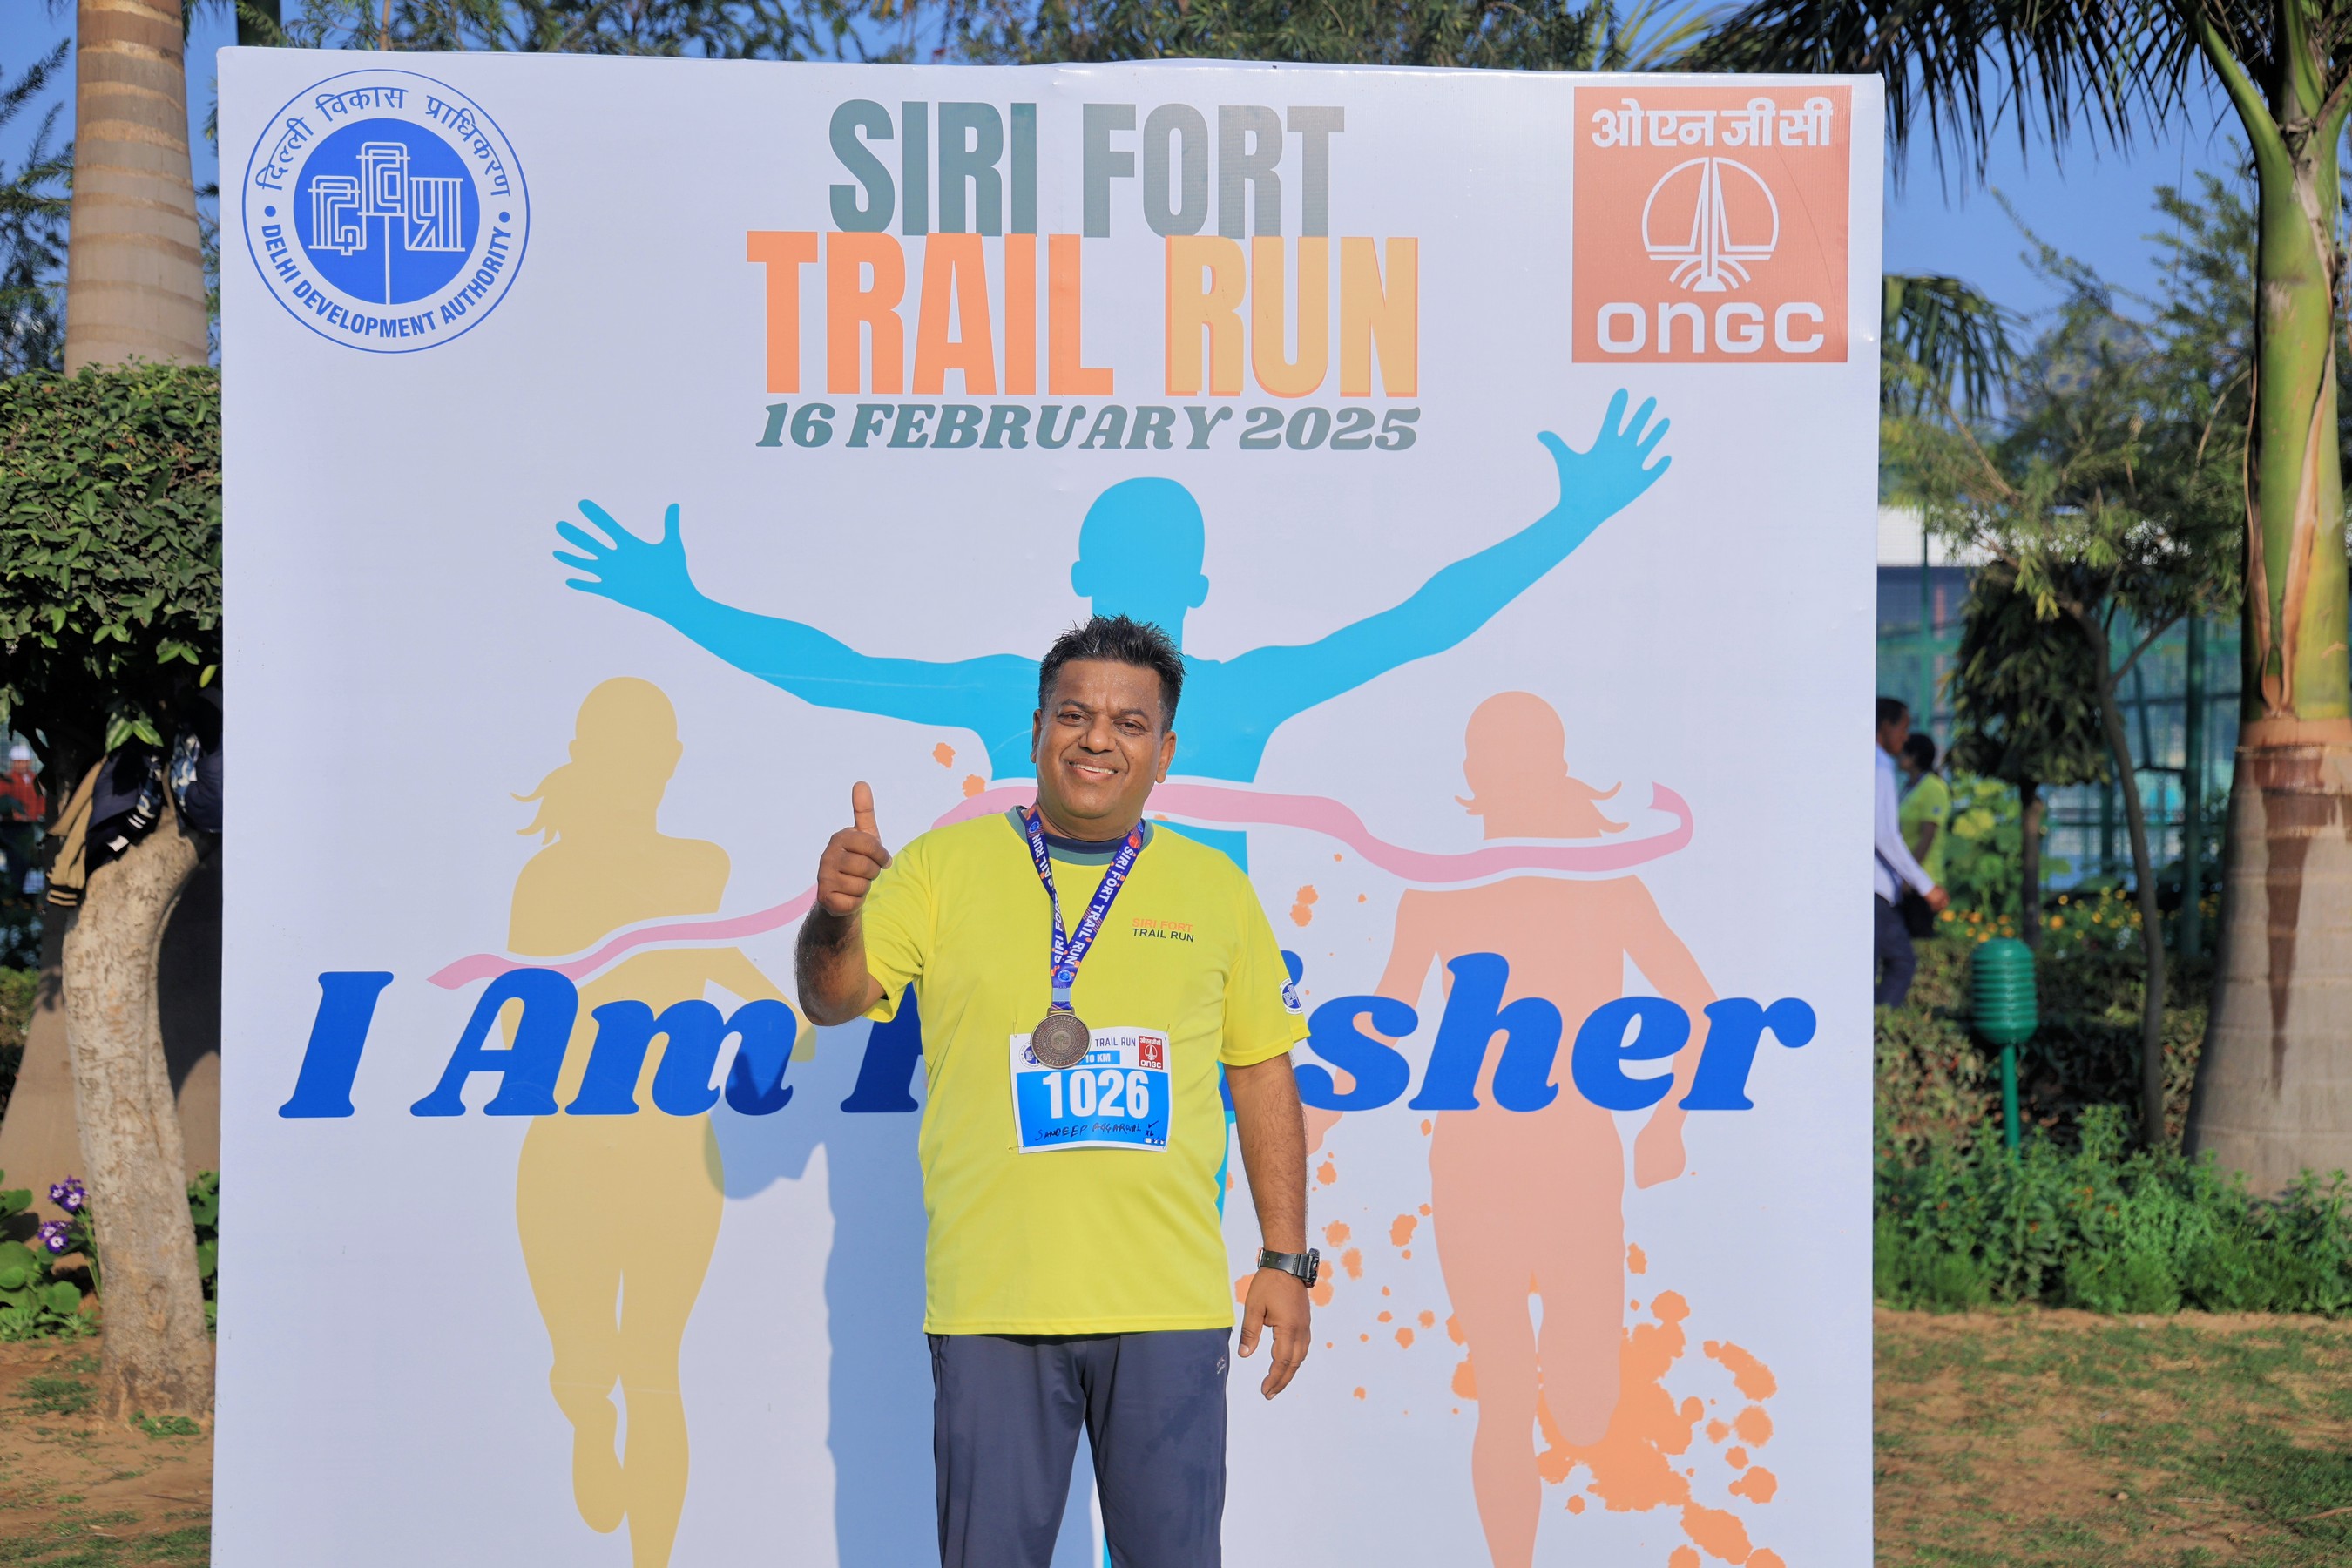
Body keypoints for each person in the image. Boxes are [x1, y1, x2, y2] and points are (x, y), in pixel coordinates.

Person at [554, 392, 1671, 866]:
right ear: (1086, 576)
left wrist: (1571, 520)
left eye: (1155, 568)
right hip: (1039, 1010)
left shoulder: (1230, 695)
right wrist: (680, 605)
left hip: (1193, 1022)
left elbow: (1423, 624)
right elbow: (834, 675)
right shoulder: (1025, 694)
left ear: (1194, 580)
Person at [794, 615, 1315, 1568]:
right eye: (1074, 715)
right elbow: (833, 999)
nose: (1096, 739)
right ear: (1037, 729)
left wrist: (1286, 1258)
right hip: (995, 1304)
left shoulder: (1214, 889)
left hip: (1166, 1306)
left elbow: (1261, 1069)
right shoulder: (939, 870)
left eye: (1128, 723)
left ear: (1165, 752)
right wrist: (834, 917)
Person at [1307, 692, 1713, 1568]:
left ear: (1552, 768)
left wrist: (1669, 1121)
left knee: (1583, 1413)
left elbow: (1702, 1007)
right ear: (1472, 777)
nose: (1501, 778)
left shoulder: (1608, 887)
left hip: (1577, 1167)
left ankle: (1580, 1387)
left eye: (1516, 760)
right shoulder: (1437, 896)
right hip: (1473, 1172)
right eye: (1490, 761)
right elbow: (1384, 1028)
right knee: (1504, 1396)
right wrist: (1311, 1121)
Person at [508, 679, 798, 1568]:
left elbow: (708, 951)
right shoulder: (545, 877)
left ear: (671, 762)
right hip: (566, 1156)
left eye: (653, 754)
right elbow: (521, 1017)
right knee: (584, 1367)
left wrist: (780, 1014)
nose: (641, 772)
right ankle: (587, 1420)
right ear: (586, 759)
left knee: (653, 1366)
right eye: (620, 754)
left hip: (674, 1155)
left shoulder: (698, 865)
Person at [1875, 697, 1947, 1008]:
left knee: (1895, 959)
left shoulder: (1926, 786)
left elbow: (1926, 834)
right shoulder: (1879, 764)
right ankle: (1877, 1026)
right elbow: (1884, 834)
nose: (1904, 739)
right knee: (1899, 961)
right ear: (1885, 726)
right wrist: (1923, 884)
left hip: (1899, 879)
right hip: (1889, 883)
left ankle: (1877, 1024)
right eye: (1903, 729)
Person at [1898, 731, 1951, 889]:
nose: (1898, 756)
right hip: (1904, 875)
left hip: (1923, 879)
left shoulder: (1933, 787)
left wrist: (1911, 875)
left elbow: (1927, 836)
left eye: (1903, 752)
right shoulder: (1909, 787)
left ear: (1914, 756)